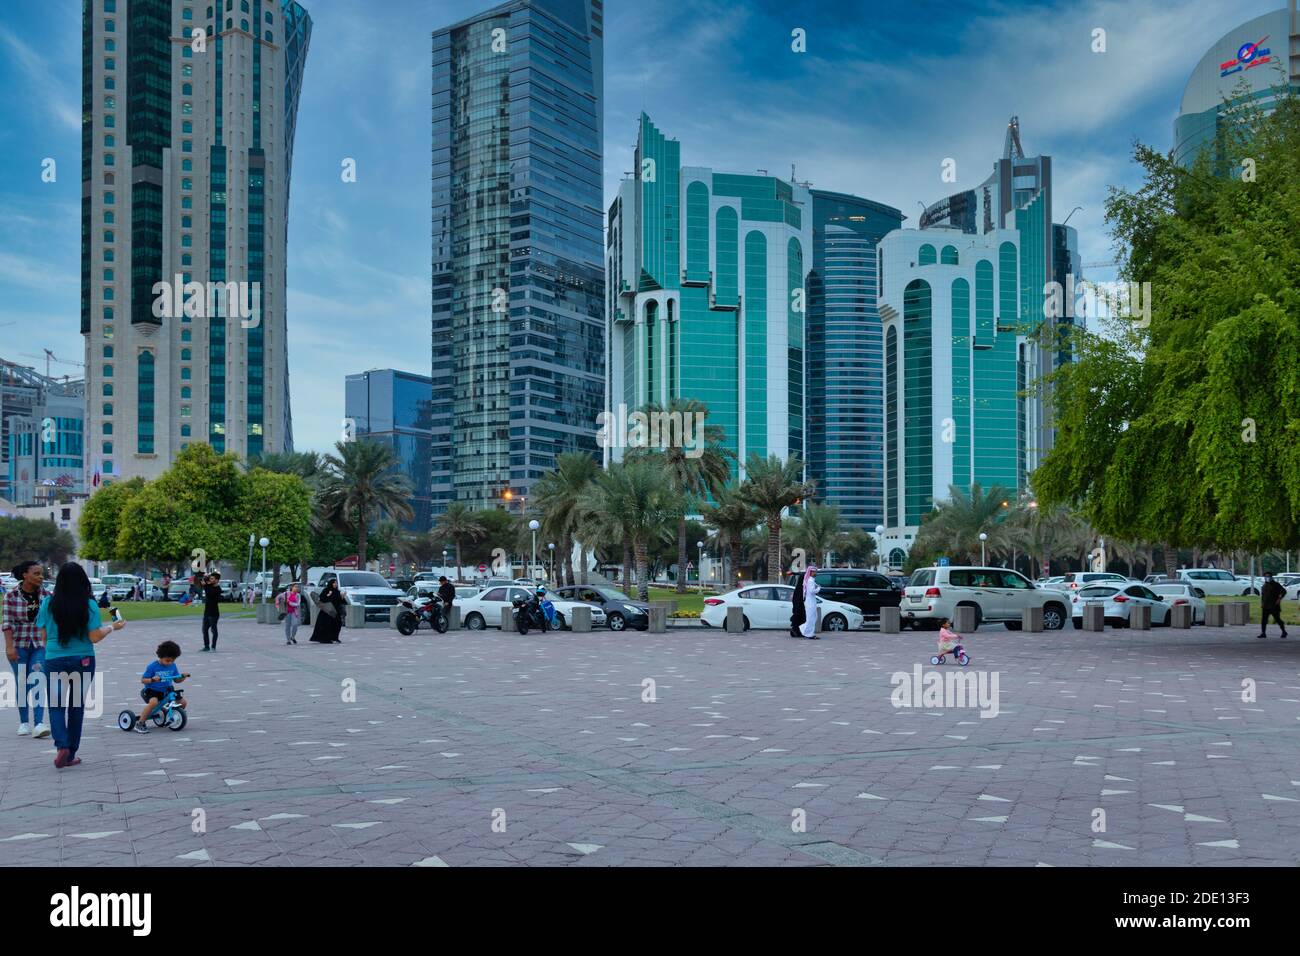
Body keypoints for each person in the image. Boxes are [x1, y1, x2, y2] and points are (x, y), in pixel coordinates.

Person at [39, 562, 125, 767]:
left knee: (56, 705)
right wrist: (112, 627)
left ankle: (62, 746)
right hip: (83, 660)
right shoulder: (89, 605)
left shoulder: (47, 603)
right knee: (76, 706)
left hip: (54, 659)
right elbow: (94, 637)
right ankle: (71, 753)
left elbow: (43, 636)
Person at [3, 561, 50, 739]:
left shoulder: (46, 595)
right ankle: (24, 722)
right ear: (25, 575)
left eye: (41, 573)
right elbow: (7, 623)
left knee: (37, 679)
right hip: (18, 646)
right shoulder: (11, 596)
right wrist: (9, 647)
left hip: (39, 645)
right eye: (36, 573)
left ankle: (39, 723)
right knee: (22, 683)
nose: (41, 577)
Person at [135, 640, 190, 734]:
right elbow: (143, 680)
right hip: (152, 690)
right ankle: (140, 723)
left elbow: (176, 680)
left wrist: (182, 677)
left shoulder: (173, 666)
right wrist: (153, 679)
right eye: (168, 660)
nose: (170, 663)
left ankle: (172, 715)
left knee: (183, 702)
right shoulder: (152, 666)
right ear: (160, 656)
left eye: (173, 660)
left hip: (167, 690)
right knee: (153, 703)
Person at [1259, 572, 1288, 639]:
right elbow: (1263, 596)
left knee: (1277, 619)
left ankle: (1284, 631)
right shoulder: (1264, 585)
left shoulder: (1276, 585)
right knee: (1264, 620)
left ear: (1271, 577)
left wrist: (1279, 599)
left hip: (1274, 605)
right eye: (1266, 576)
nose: (1267, 578)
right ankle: (1263, 633)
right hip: (1265, 606)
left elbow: (1283, 591)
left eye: (1268, 576)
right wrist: (1262, 604)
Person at [200, 572, 222, 651]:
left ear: (217, 580)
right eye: (210, 578)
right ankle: (206, 646)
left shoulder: (217, 589)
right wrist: (205, 580)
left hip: (214, 613)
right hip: (207, 612)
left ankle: (213, 646)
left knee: (213, 630)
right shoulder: (209, 586)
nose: (210, 580)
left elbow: (209, 593)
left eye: (212, 579)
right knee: (204, 629)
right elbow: (205, 584)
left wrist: (205, 585)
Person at [799, 566, 821, 639]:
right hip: (810, 602)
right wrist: (818, 589)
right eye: (814, 572)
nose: (816, 573)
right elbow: (812, 591)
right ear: (811, 572)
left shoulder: (811, 580)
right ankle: (806, 632)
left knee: (813, 617)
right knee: (811, 618)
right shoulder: (810, 581)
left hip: (811, 601)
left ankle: (808, 632)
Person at [789, 568, 807, 637]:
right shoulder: (800, 588)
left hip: (799, 606)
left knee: (800, 619)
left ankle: (797, 632)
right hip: (799, 606)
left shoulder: (799, 587)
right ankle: (795, 631)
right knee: (799, 618)